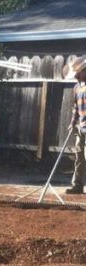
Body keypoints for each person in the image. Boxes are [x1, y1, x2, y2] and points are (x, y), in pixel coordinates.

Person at [68, 56, 86, 194]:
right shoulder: (76, 88)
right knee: (79, 157)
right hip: (81, 127)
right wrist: (72, 122)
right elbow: (75, 107)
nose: (75, 76)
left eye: (78, 73)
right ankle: (77, 185)